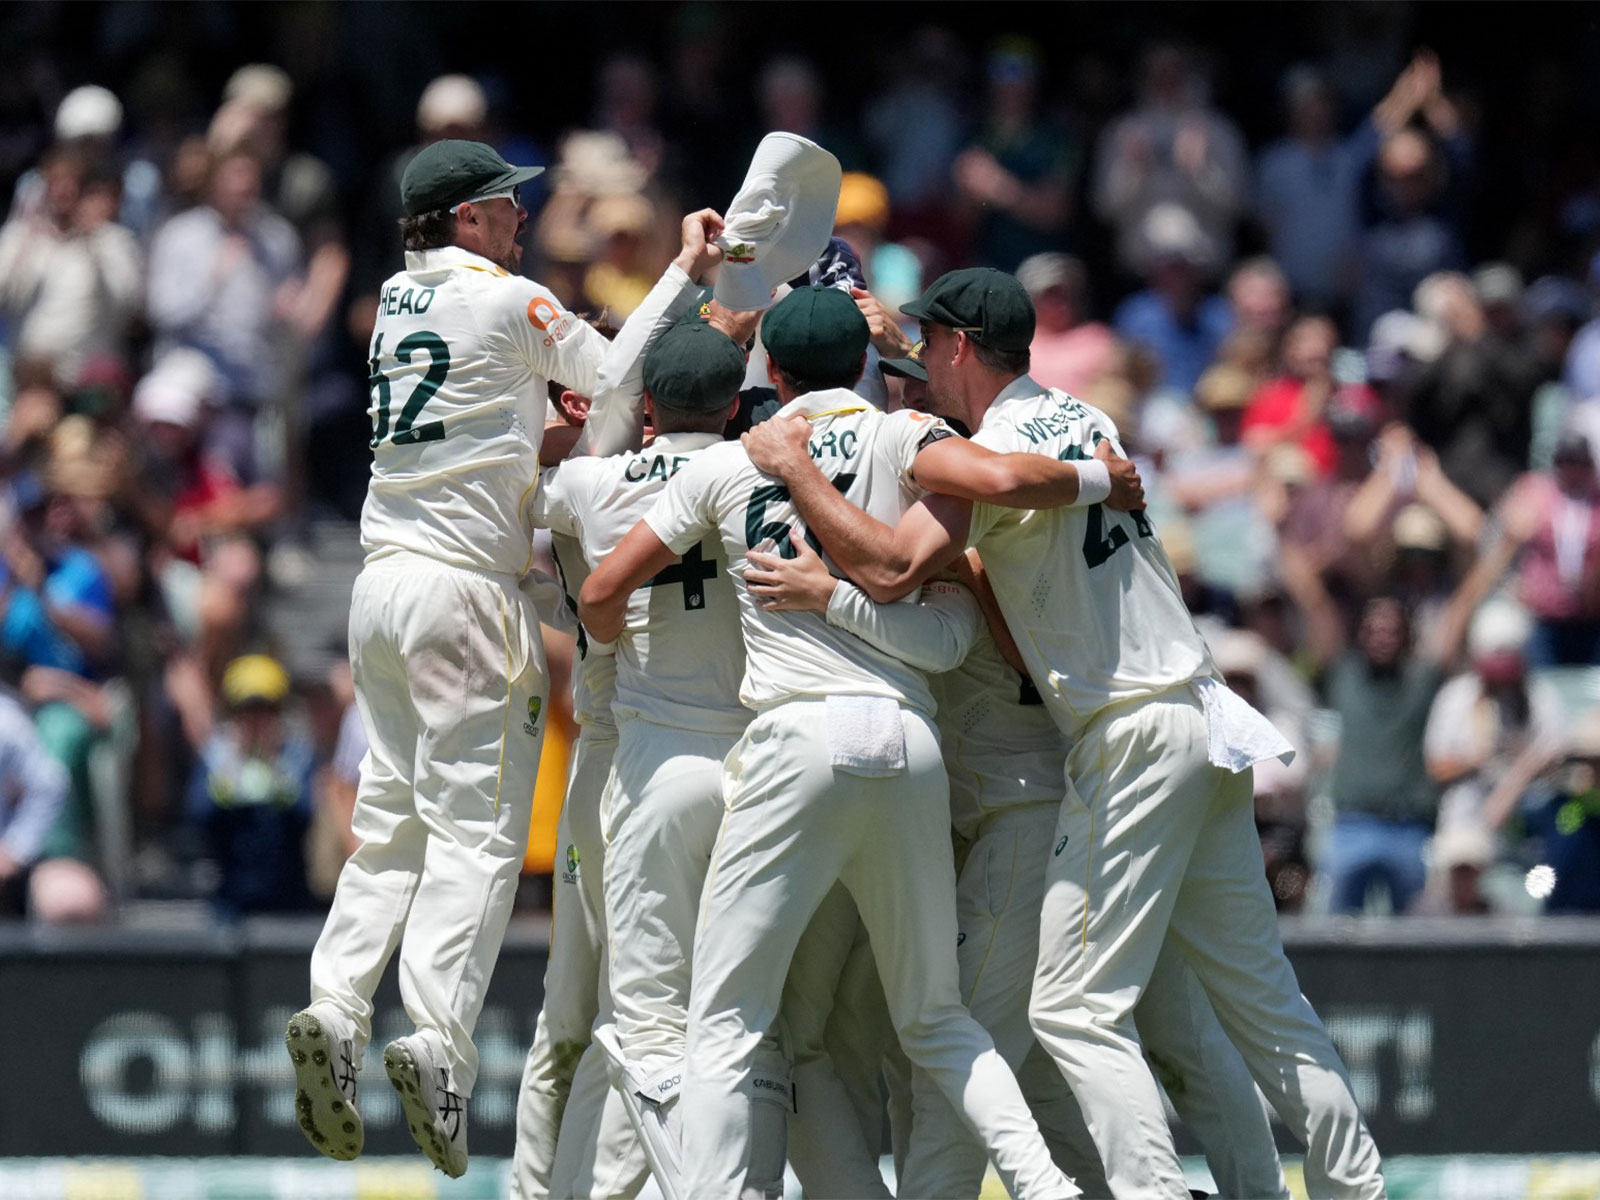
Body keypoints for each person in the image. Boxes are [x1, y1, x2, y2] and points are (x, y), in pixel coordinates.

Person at [742, 267, 1385, 1199]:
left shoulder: (996, 454)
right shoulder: (1088, 419)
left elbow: (907, 561)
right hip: (1201, 716)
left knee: (1078, 1011)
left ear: (958, 348)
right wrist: (892, 345)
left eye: (930, 346)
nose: (917, 368)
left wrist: (808, 479)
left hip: (1126, 731)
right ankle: (1351, 1186)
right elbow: (999, 473)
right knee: (1262, 1001)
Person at [580, 284, 1139, 1200]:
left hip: (790, 744)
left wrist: (621, 658)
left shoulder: (730, 465)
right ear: (872, 366)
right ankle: (1046, 1189)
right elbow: (993, 491)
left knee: (726, 1021)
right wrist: (1098, 477)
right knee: (936, 1018)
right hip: (908, 741)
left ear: (774, 376)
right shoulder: (903, 434)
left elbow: (604, 591)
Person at [284, 137, 722, 1178]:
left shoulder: (397, 300)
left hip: (380, 583)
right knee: (476, 834)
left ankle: (335, 1009)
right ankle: (436, 1041)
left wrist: (562, 422)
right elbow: (617, 374)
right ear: (468, 219)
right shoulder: (503, 300)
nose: (523, 220)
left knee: (388, 822)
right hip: (466, 595)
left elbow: (492, 433)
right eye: (508, 207)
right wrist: (686, 272)